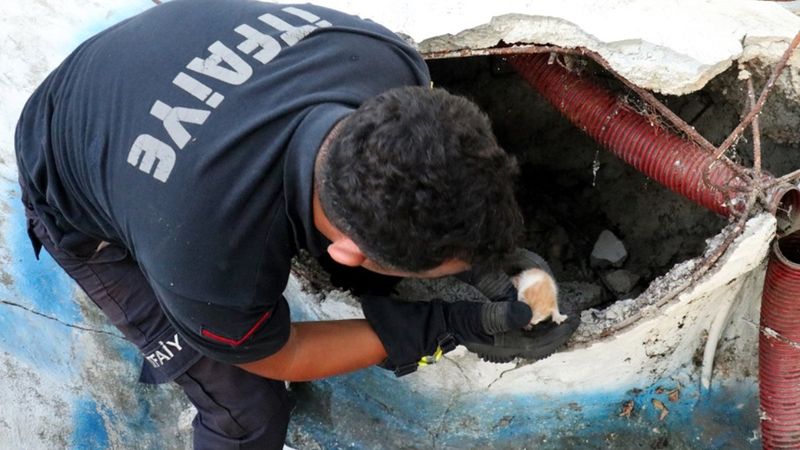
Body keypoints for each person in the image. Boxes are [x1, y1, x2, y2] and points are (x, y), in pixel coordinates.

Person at [15, 1, 577, 448]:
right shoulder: (207, 260)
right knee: (247, 408)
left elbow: (427, 174)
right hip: (69, 162)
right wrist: (442, 326)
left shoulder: (384, 60)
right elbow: (280, 354)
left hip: (149, 61)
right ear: (347, 250)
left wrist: (497, 263)